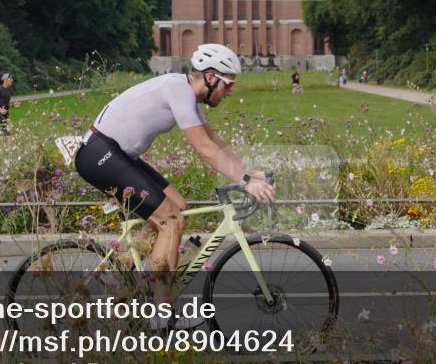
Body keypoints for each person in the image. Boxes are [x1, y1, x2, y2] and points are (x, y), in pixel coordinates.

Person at [55, 44, 276, 328]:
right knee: (170, 221)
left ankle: (123, 269)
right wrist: (245, 183)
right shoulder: (178, 90)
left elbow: (214, 141)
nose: (230, 91)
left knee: (178, 207)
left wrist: (248, 172)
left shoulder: (184, 92)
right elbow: (204, 148)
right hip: (101, 154)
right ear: (211, 77)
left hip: (115, 153)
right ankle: (162, 315)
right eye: (229, 84)